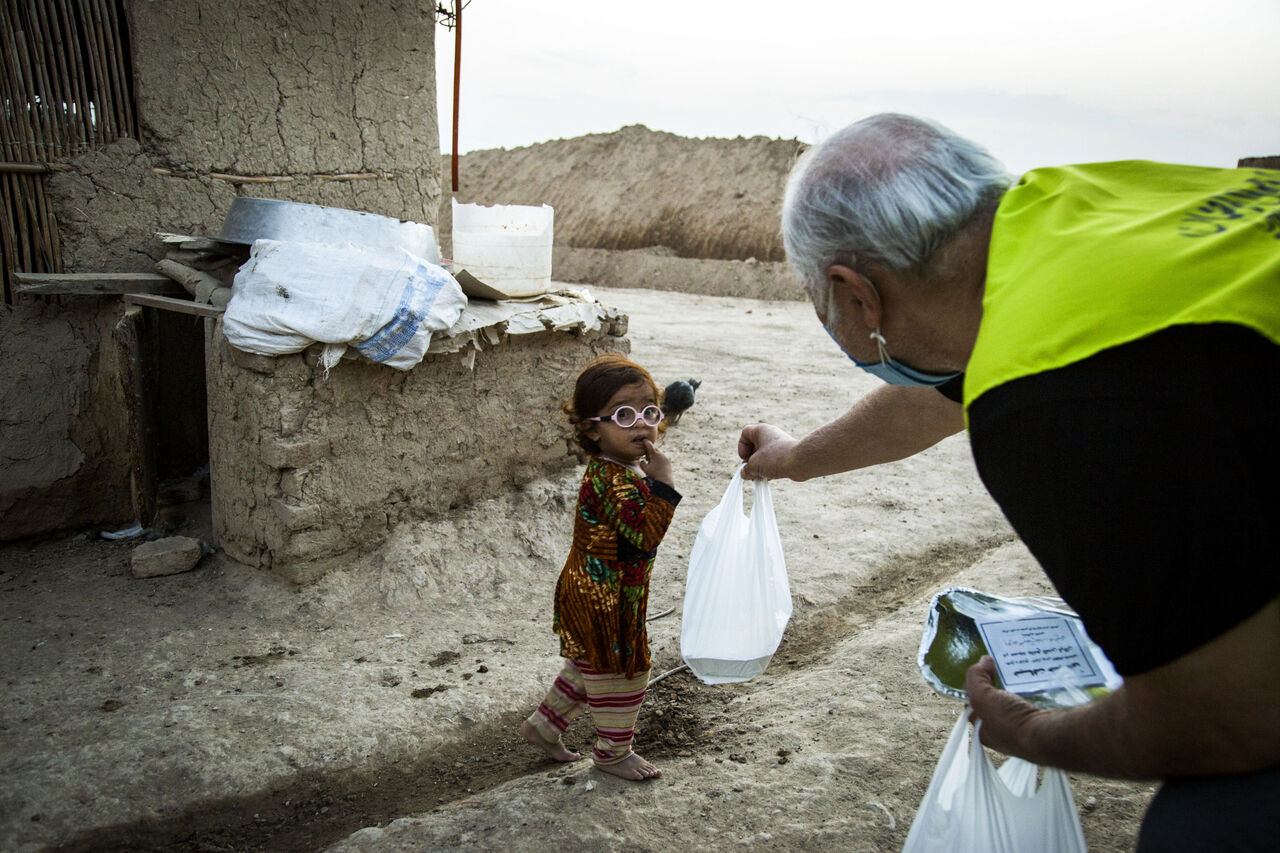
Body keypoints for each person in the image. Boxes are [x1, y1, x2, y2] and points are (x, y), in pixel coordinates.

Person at [737, 113, 1279, 850]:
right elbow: (939, 391)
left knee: (1209, 827)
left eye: (828, 313)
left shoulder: (1054, 404)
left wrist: (1032, 730)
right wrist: (796, 456)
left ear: (858, 295)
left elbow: (1227, 717)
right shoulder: (1076, 207)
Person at [520, 353, 681, 781]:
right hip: (601, 599)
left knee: (588, 665)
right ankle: (612, 752)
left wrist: (650, 481)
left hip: (605, 592)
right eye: (623, 415)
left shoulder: (623, 469)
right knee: (625, 672)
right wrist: (663, 484)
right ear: (592, 428)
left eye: (650, 411)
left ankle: (544, 726)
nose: (642, 424)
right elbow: (645, 535)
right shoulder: (609, 477)